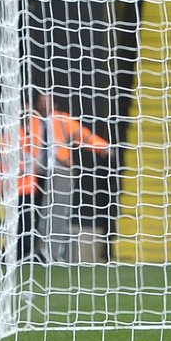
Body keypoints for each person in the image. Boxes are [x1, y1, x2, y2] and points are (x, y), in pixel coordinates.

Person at [18, 91, 111, 263]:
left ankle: (50, 252)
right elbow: (22, 133)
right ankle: (31, 251)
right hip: (35, 174)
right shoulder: (32, 120)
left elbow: (83, 135)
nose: (45, 105)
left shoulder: (62, 119)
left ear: (54, 103)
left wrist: (102, 147)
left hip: (59, 169)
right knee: (31, 215)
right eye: (42, 101)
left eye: (48, 101)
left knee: (56, 214)